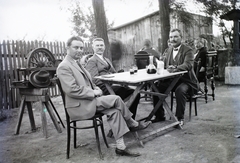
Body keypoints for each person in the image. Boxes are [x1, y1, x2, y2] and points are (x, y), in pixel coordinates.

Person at [57, 36, 151, 157]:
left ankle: (120, 148)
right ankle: (133, 123)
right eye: (76, 47)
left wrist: (95, 88)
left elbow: (89, 82)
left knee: (115, 112)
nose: (79, 50)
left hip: (89, 101)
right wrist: (93, 92)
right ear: (67, 48)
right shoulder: (64, 66)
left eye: (81, 47)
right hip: (79, 105)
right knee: (116, 98)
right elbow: (71, 90)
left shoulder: (76, 63)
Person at [152, 29, 199, 126]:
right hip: (172, 80)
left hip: (187, 81)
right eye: (171, 37)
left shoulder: (188, 50)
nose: (173, 39)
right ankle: (159, 115)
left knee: (180, 90)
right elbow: (164, 65)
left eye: (176, 36)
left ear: (181, 38)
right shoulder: (168, 50)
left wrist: (176, 68)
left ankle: (179, 118)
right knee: (155, 86)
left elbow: (188, 65)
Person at [85, 37, 140, 119]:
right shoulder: (92, 61)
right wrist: (112, 82)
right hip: (104, 89)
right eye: (97, 46)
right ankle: (129, 121)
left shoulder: (106, 59)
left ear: (104, 47)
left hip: (112, 86)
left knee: (136, 93)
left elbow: (115, 73)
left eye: (101, 45)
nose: (100, 47)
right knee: (132, 94)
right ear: (93, 47)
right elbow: (94, 80)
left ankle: (130, 120)